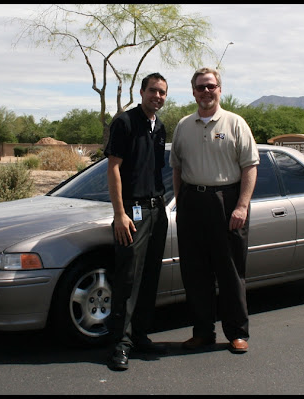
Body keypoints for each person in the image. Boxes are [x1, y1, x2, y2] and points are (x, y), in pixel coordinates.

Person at [170, 67, 259, 354]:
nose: (206, 91)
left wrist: (242, 205)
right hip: (192, 203)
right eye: (200, 87)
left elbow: (250, 167)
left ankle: (237, 333)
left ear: (220, 89)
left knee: (230, 272)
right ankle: (202, 332)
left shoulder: (235, 123)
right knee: (195, 272)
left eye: (211, 86)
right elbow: (177, 168)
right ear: (193, 91)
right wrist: (180, 200)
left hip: (227, 202)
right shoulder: (184, 125)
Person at [104, 72, 169, 371]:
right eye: (153, 91)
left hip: (157, 210)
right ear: (142, 91)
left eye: (162, 93)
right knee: (128, 277)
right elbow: (113, 169)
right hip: (134, 212)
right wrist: (120, 213)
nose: (157, 96)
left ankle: (140, 335)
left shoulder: (160, 127)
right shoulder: (125, 122)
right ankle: (121, 343)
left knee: (149, 276)